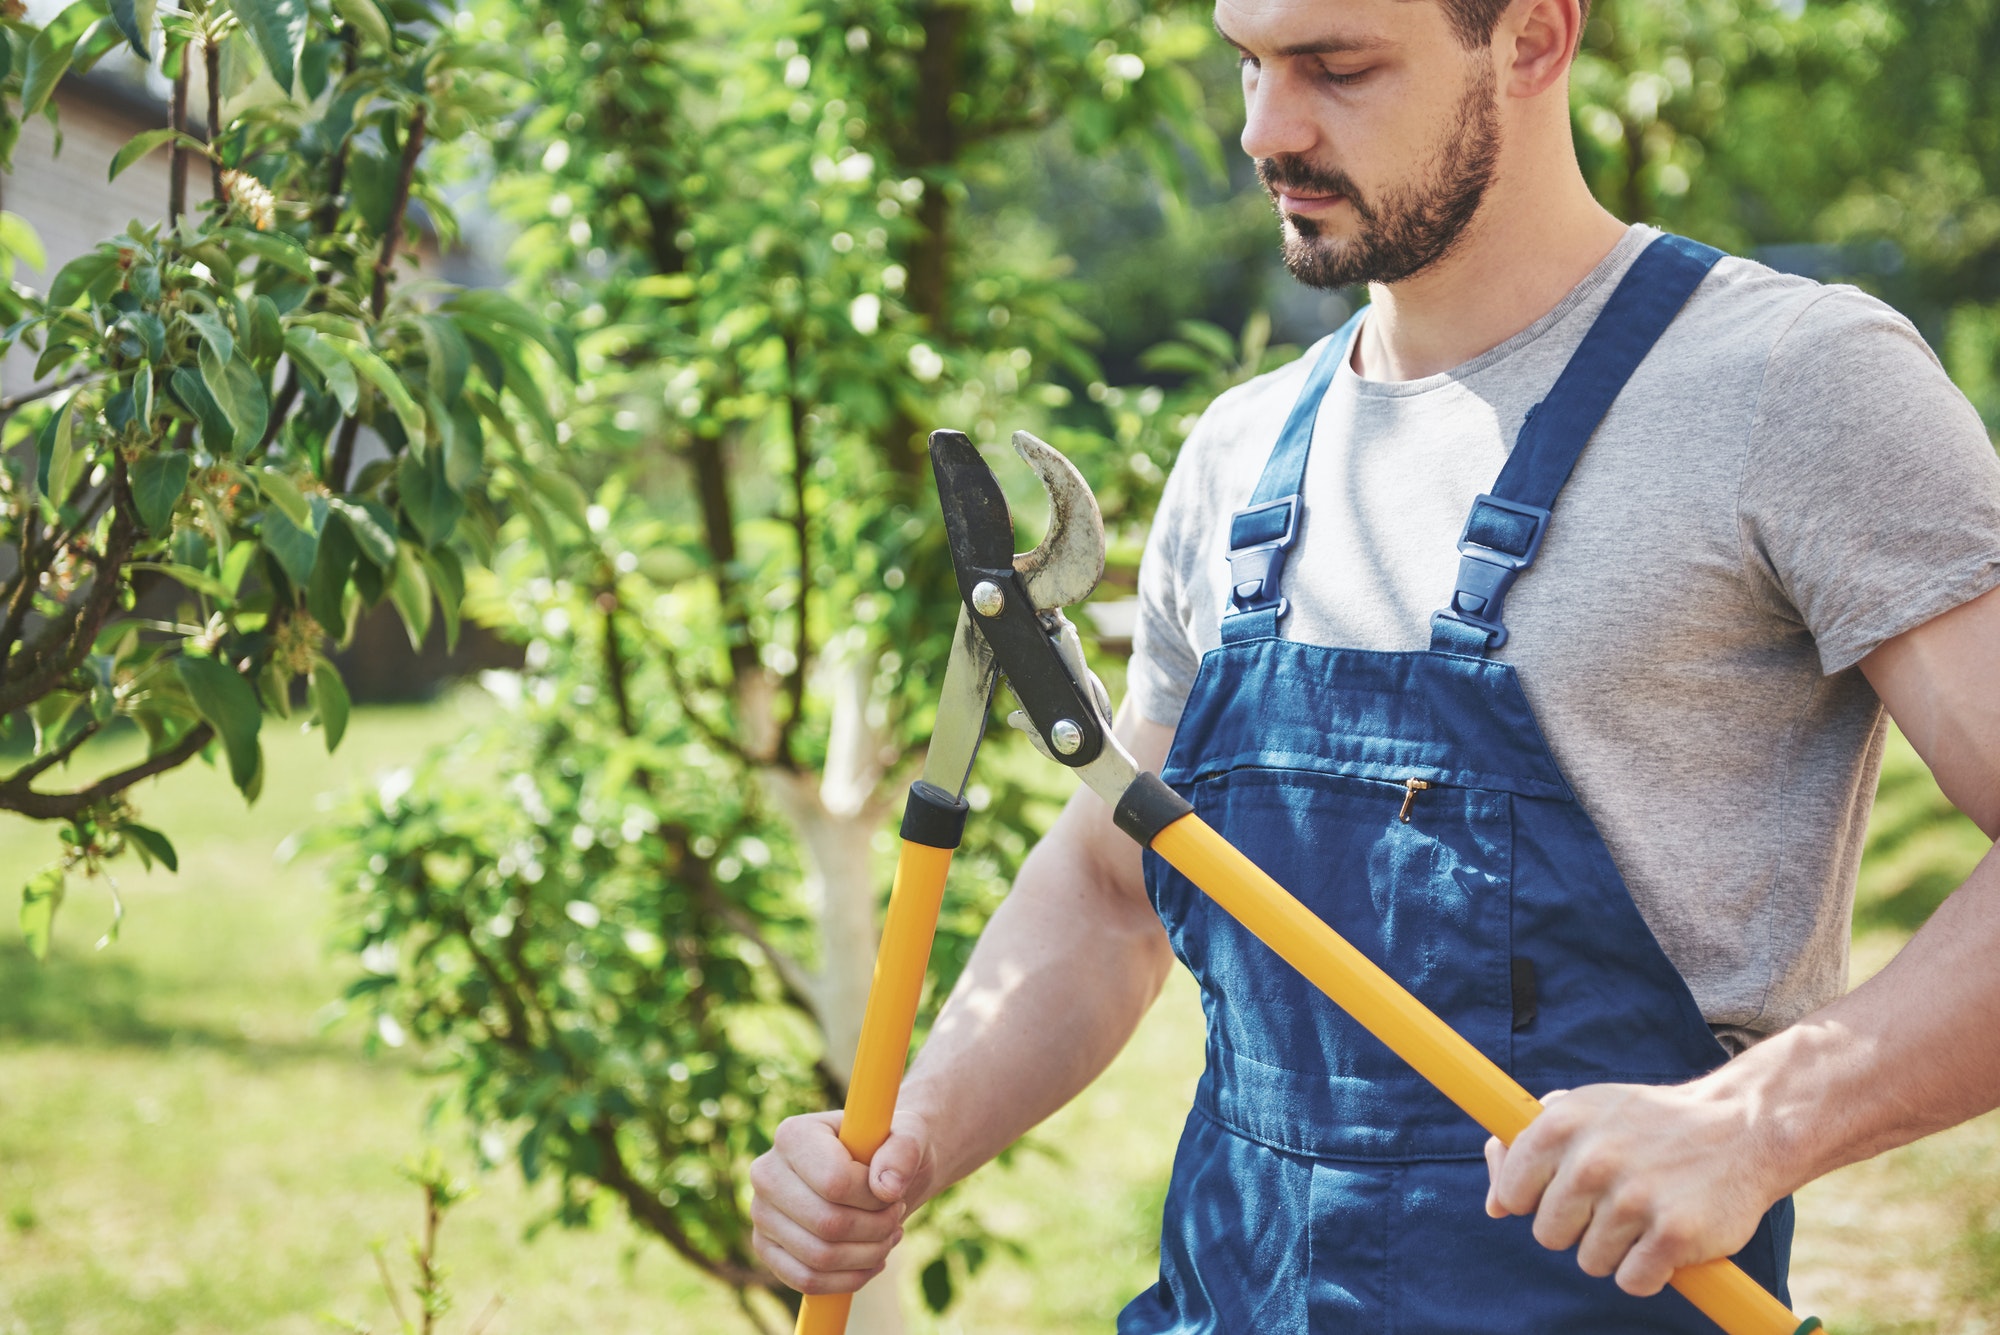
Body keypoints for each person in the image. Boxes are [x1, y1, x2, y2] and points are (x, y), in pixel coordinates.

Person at [750, 0, 2000, 1328]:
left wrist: (1760, 1123)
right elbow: (1118, 888)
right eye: (1250, 65)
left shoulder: (1791, 383)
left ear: (1532, 40)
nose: (1265, 130)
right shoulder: (1241, 455)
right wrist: (907, 1144)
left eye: (1336, 68)